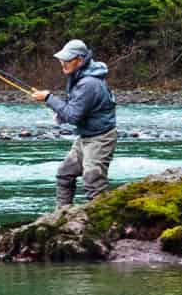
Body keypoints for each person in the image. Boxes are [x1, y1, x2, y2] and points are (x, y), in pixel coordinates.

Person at [31, 39, 119, 208]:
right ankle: (62, 213)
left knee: (93, 180)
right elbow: (74, 108)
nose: (62, 64)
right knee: (65, 173)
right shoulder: (80, 77)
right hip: (87, 135)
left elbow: (73, 116)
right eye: (61, 60)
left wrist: (48, 98)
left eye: (67, 60)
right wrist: (55, 107)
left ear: (80, 60)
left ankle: (102, 219)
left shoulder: (89, 83)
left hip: (100, 138)